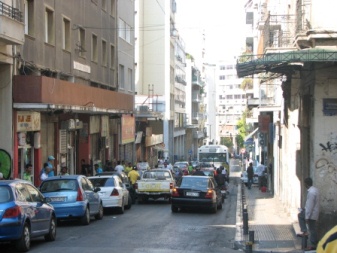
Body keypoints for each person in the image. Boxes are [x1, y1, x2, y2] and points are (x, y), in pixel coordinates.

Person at [297, 177, 320, 250]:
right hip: (314, 212)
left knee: (301, 216)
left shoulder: (311, 192)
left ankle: (305, 232)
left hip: (311, 213)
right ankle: (314, 243)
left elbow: (310, 206)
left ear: (306, 184)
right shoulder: (315, 190)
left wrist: (306, 217)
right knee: (313, 228)